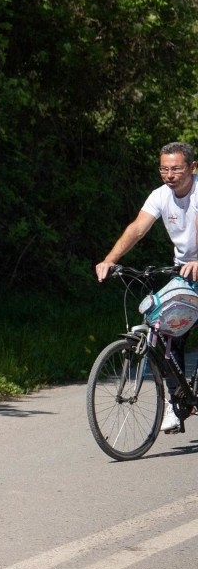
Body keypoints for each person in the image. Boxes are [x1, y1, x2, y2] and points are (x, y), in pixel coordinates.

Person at [96, 141, 198, 431]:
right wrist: (109, 260)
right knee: (166, 329)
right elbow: (138, 229)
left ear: (192, 167)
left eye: (176, 168)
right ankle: (176, 403)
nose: (169, 175)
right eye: (164, 169)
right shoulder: (161, 196)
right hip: (186, 272)